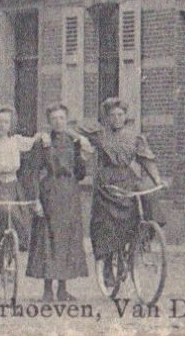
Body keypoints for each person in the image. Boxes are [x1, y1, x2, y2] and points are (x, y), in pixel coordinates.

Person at [87, 98, 165, 277]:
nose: (116, 118)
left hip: (127, 177)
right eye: (112, 115)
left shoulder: (134, 137)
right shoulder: (100, 135)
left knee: (144, 202)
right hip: (106, 181)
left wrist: (158, 180)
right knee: (107, 221)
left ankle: (140, 242)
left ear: (125, 116)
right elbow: (75, 130)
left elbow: (146, 159)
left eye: (120, 114)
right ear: (107, 117)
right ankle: (107, 264)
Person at [23, 103, 92, 300]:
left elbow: (80, 173)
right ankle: (47, 290)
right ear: (49, 122)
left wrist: (83, 158)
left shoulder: (74, 141)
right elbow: (34, 173)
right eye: (54, 119)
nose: (58, 122)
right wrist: (35, 200)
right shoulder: (42, 142)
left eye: (61, 118)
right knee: (48, 238)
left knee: (67, 240)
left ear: (66, 119)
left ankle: (63, 289)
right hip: (49, 192)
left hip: (70, 193)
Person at [0, 106, 44, 280]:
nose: (2, 125)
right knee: (3, 215)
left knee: (21, 217)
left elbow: (34, 141)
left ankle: (13, 251)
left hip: (13, 187)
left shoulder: (16, 142)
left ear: (10, 124)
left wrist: (43, 136)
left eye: (6, 122)